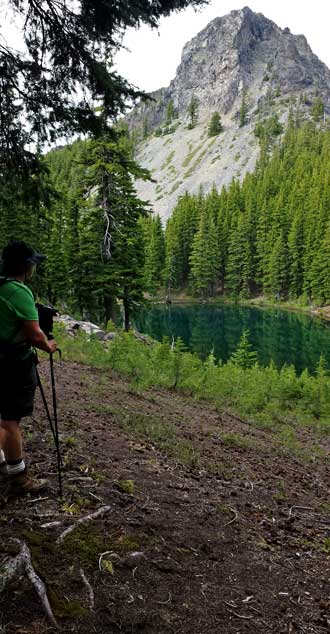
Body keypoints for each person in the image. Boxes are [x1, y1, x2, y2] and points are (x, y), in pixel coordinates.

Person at [0, 240, 57, 498]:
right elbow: (35, 336)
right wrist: (49, 346)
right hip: (12, 363)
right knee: (10, 419)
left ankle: (2, 460)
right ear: (26, 266)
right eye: (33, 263)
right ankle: (18, 476)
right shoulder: (18, 291)